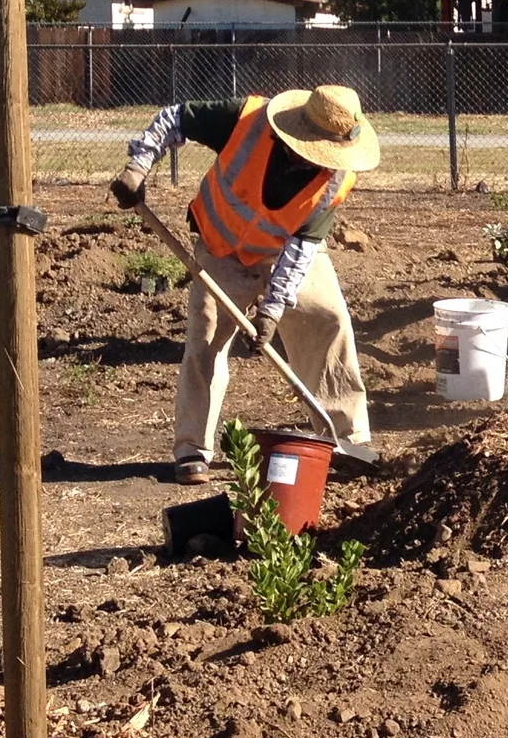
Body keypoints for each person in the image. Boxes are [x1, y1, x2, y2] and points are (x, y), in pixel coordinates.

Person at [112, 84, 380, 483]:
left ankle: (346, 439)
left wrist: (272, 310)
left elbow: (301, 251)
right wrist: (139, 165)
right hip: (221, 248)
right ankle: (192, 448)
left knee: (328, 319)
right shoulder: (245, 119)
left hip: (284, 251)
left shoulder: (335, 179)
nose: (317, 161)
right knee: (206, 336)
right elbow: (175, 117)